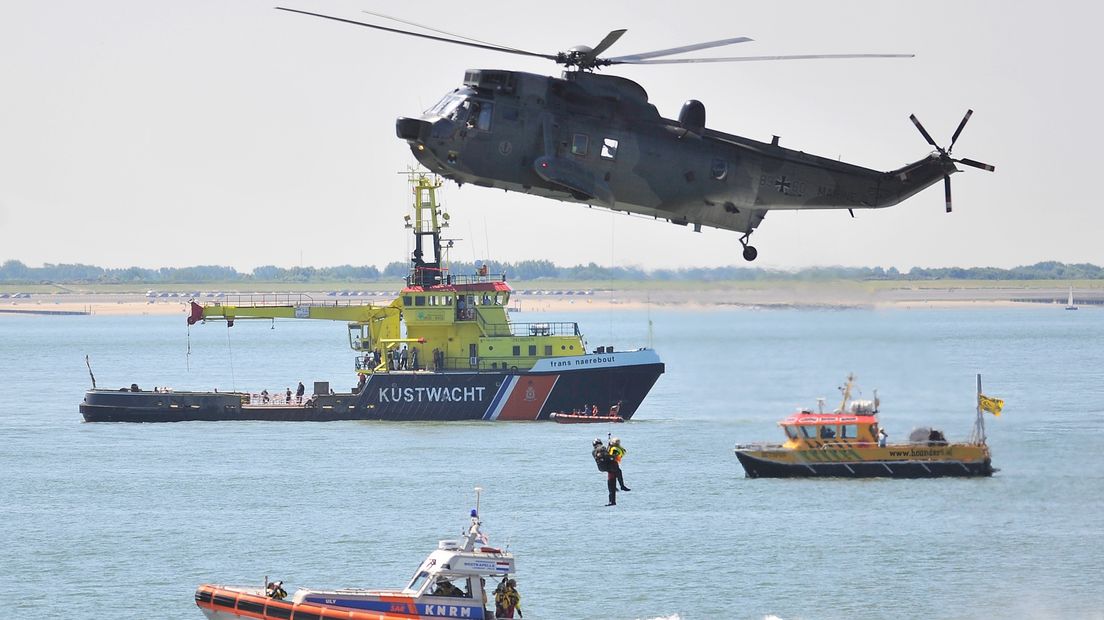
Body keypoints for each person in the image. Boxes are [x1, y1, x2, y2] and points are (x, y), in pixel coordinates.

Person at [593, 439, 616, 506]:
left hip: (605, 468)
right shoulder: (599, 450)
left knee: (611, 483)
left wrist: (609, 447)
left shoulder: (597, 450)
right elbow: (606, 455)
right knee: (612, 483)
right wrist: (613, 456)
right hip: (608, 467)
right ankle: (612, 501)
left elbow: (606, 454)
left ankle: (612, 501)